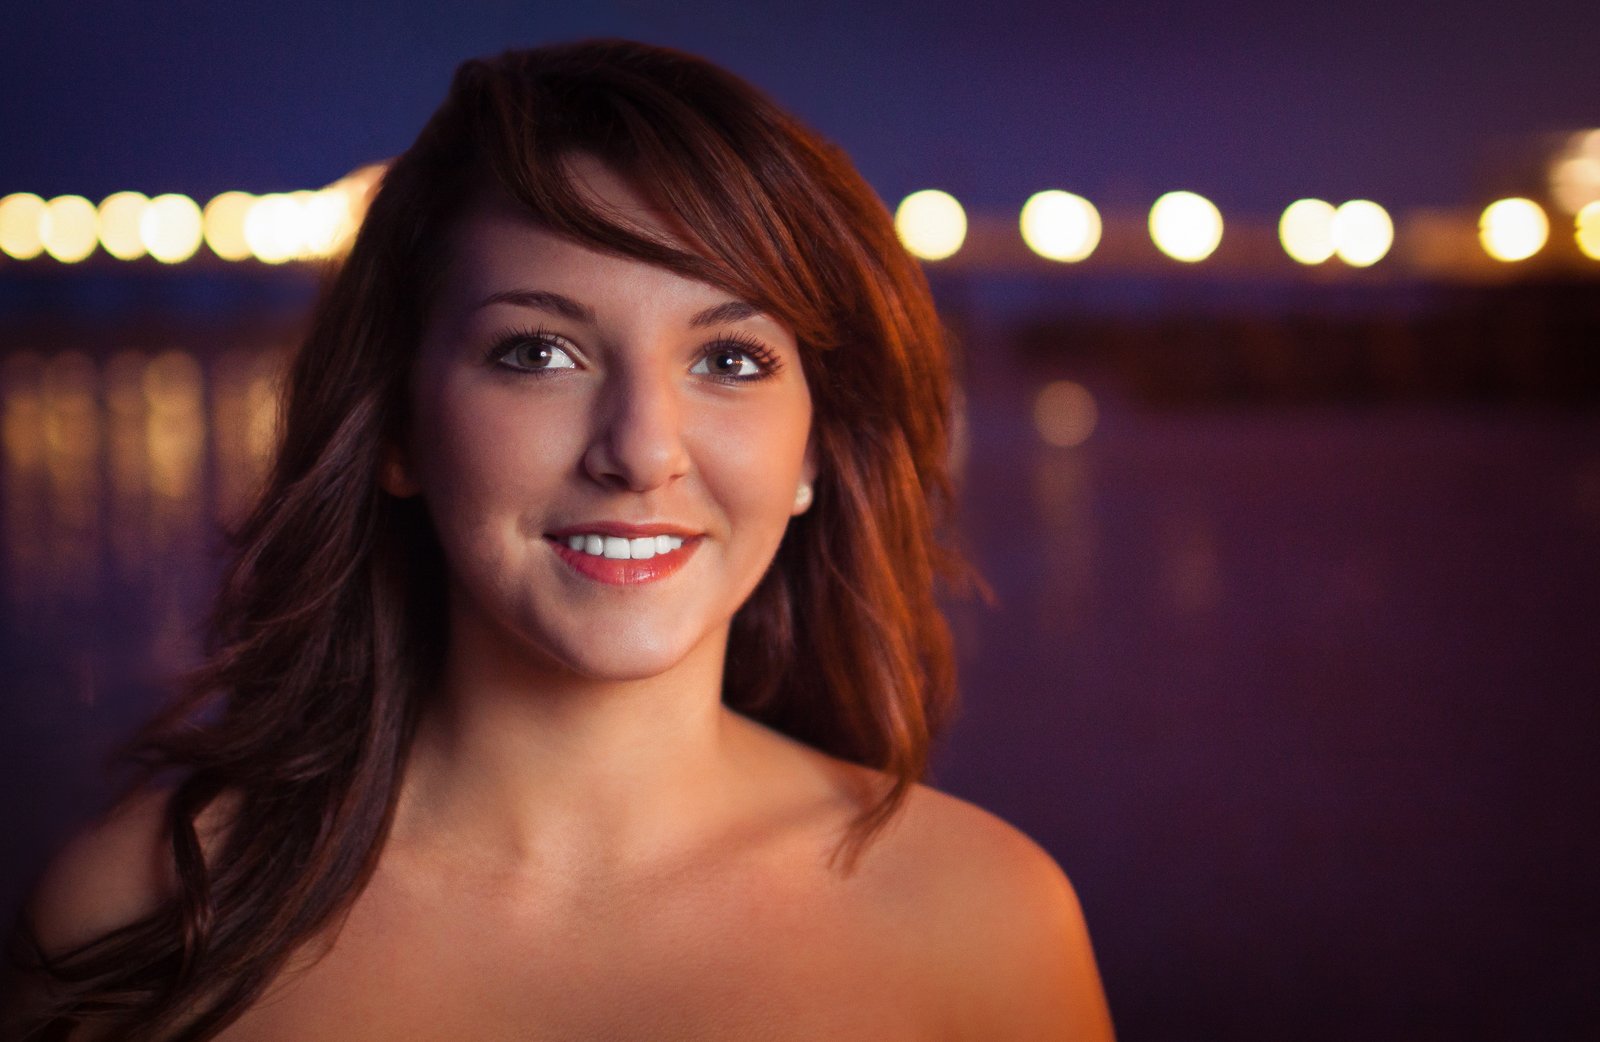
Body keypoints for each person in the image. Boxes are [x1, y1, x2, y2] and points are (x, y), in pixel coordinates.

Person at [4, 39, 1114, 1041]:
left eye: (728, 361)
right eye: (538, 353)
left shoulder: (987, 920)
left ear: (814, 452)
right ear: (395, 426)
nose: (639, 452)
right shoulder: (144, 915)